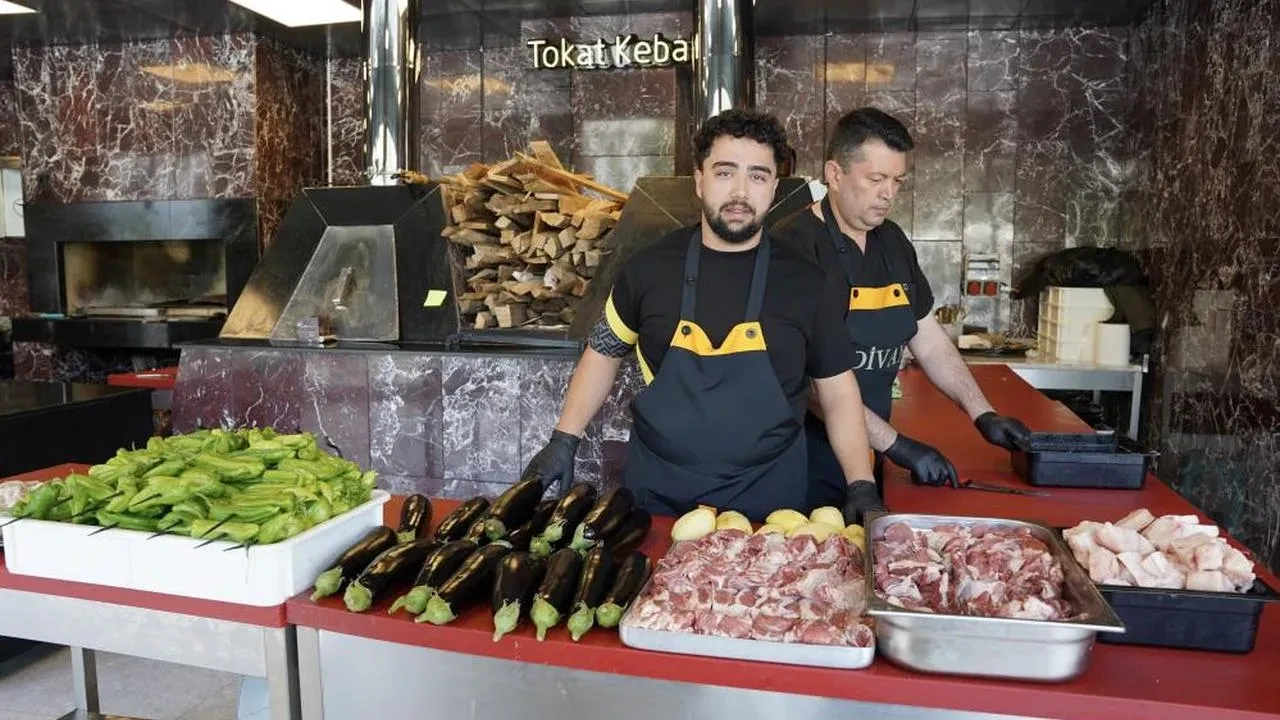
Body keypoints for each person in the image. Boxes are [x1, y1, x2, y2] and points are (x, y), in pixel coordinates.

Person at [522, 109, 884, 524]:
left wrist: (861, 483)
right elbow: (603, 351)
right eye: (725, 172)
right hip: (656, 494)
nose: (741, 191)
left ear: (773, 188)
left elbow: (838, 390)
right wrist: (563, 439)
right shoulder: (648, 269)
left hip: (770, 500)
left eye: (758, 175)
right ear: (700, 180)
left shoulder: (807, 282)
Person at [771, 107, 1032, 508]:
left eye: (897, 181)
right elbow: (809, 384)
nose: (888, 193)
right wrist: (899, 445)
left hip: (871, 453)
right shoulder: (793, 248)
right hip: (806, 461)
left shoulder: (891, 242)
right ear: (834, 174)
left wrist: (983, 413)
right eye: (875, 179)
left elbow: (928, 340)